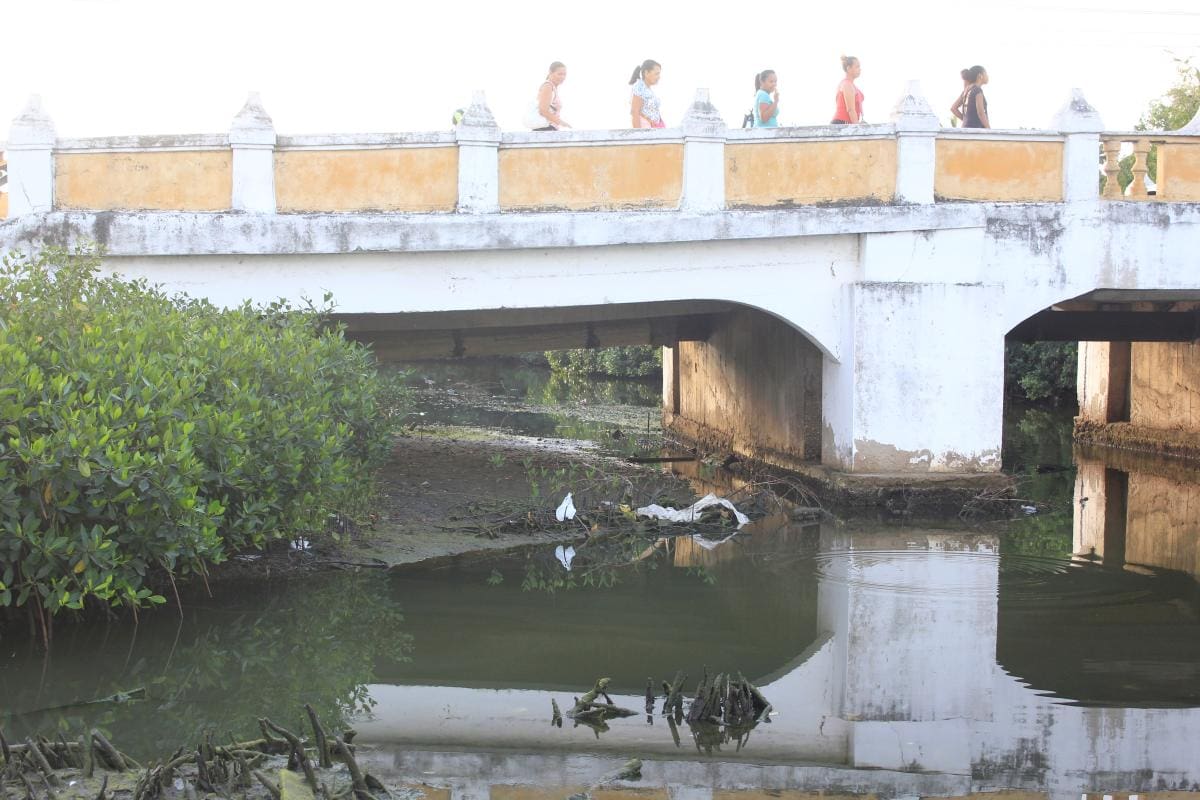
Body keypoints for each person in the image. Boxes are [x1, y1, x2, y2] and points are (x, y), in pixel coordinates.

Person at [531, 62, 570, 131]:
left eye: (564, 74)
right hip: (545, 129)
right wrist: (562, 123)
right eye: (559, 74)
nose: (562, 77)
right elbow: (543, 111)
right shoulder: (548, 86)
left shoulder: (553, 88)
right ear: (550, 72)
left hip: (548, 129)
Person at [629, 60, 664, 128]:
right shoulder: (639, 86)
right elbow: (635, 112)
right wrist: (638, 135)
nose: (659, 77)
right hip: (646, 130)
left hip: (654, 128)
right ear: (646, 73)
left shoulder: (648, 89)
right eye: (656, 74)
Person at [831, 55, 863, 124]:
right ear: (848, 68)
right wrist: (857, 127)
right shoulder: (847, 84)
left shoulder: (851, 85)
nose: (860, 69)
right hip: (842, 123)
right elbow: (851, 110)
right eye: (857, 67)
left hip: (847, 123)